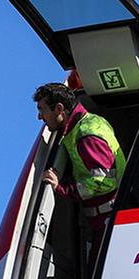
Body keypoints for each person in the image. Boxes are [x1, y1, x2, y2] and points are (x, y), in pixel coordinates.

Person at [34, 81, 122, 257]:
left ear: (59, 109)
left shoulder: (86, 135)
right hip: (107, 218)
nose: (40, 117)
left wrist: (62, 188)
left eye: (42, 110)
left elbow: (103, 182)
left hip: (109, 220)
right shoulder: (92, 122)